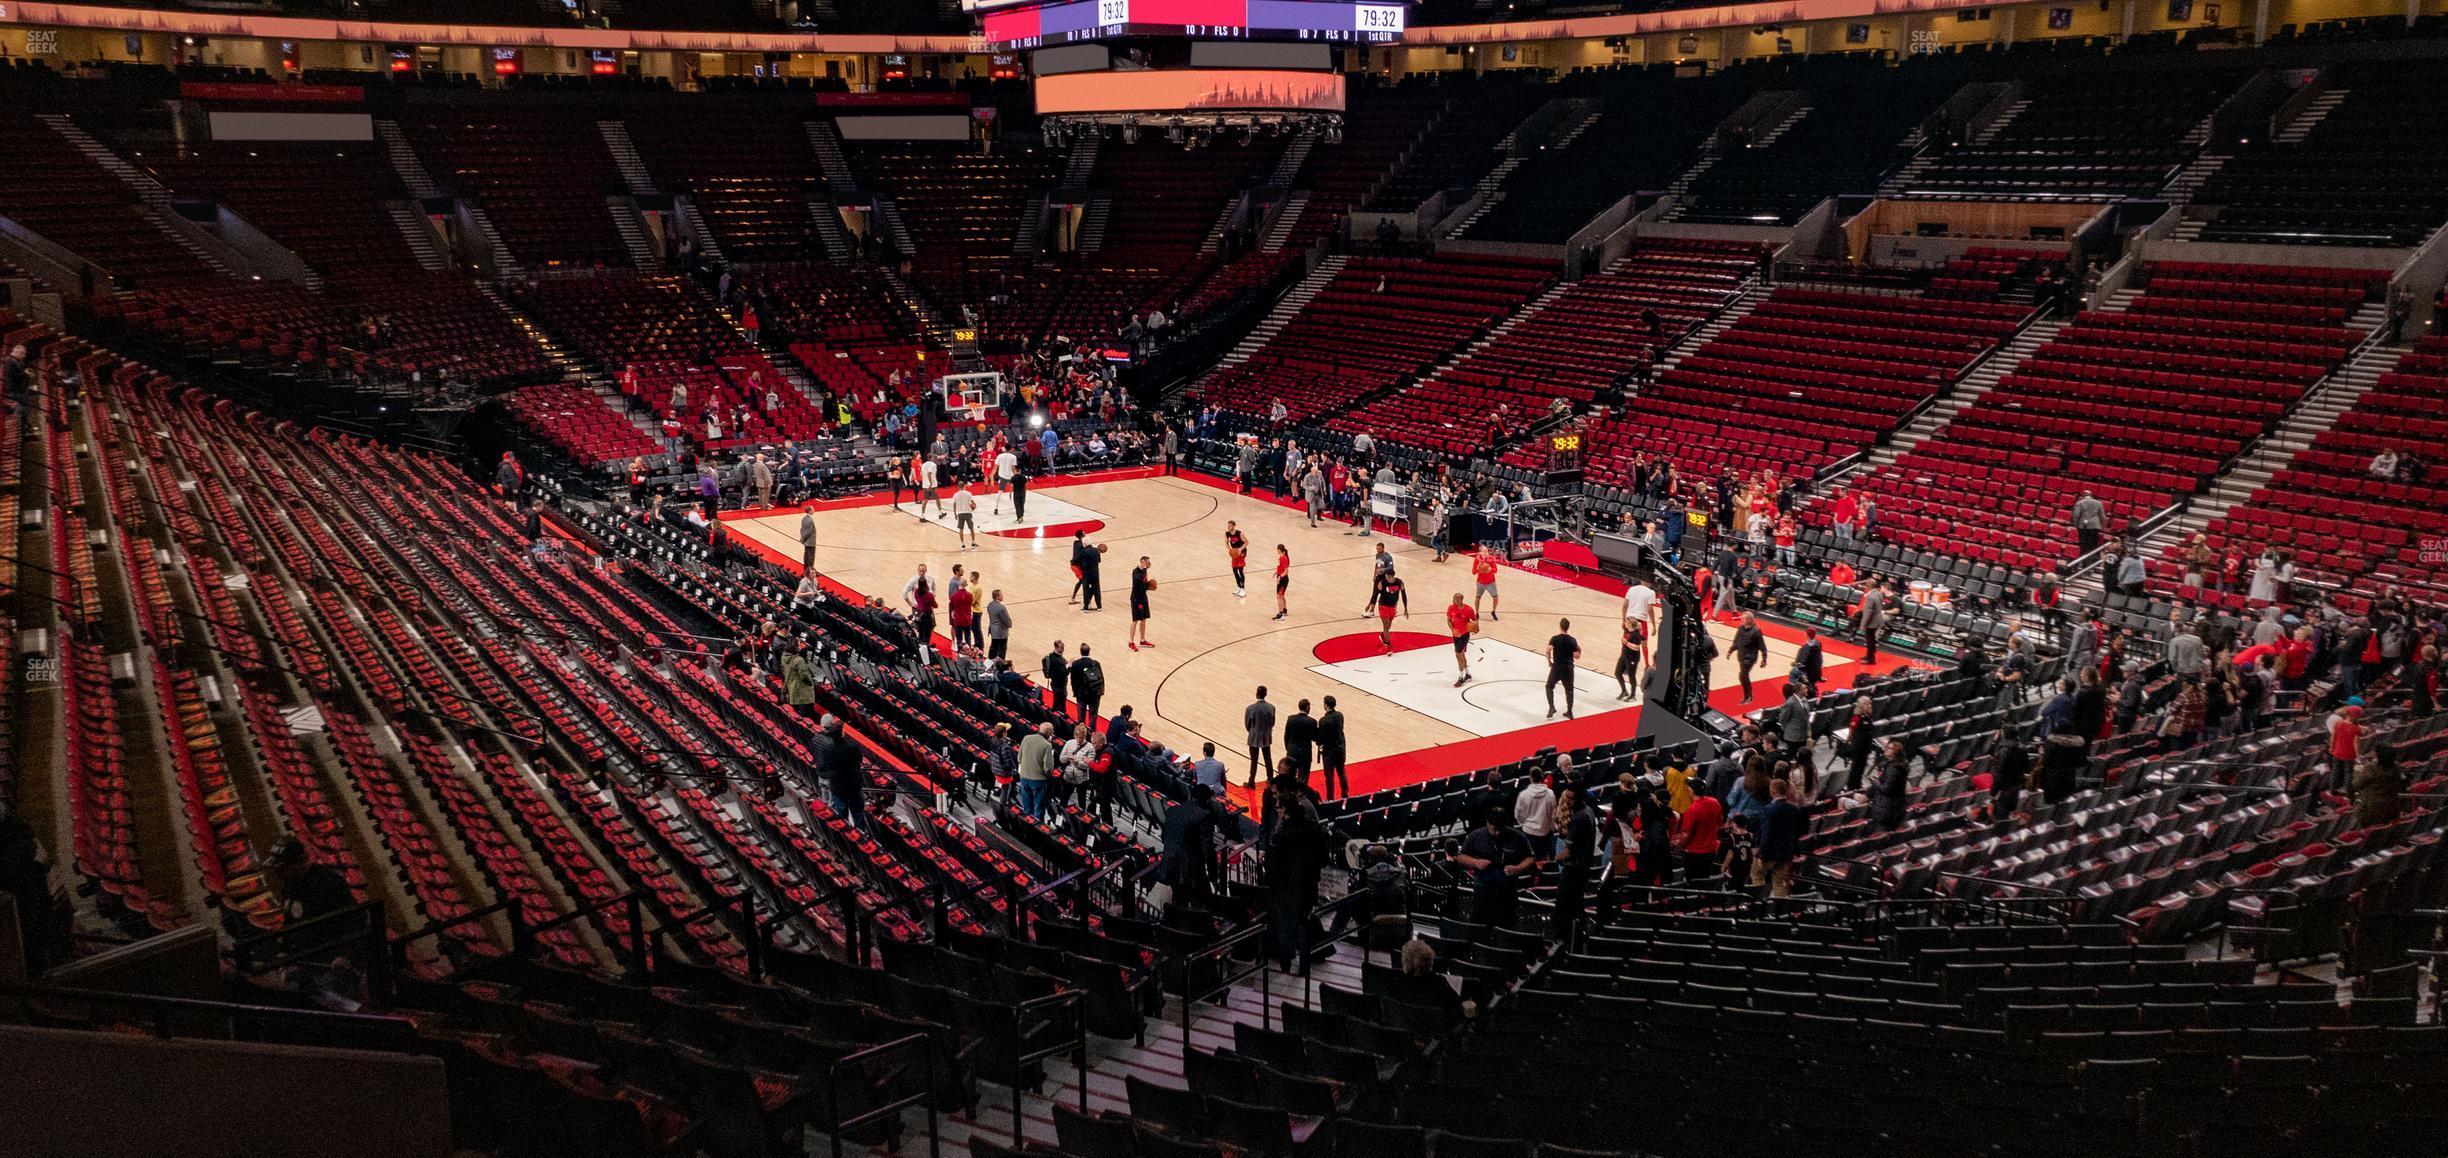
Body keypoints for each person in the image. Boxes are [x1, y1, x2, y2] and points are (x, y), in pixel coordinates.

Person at [1451, 808, 1536, 938]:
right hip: (1483, 893)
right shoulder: (1476, 836)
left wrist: (1518, 868)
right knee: (1479, 931)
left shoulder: (1517, 837)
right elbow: (1461, 857)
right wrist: (1476, 862)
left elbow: (1530, 857)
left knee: (1505, 932)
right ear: (1487, 823)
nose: (1496, 833)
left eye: (1500, 830)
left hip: (1507, 894)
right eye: (1493, 829)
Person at [1161, 784, 1221, 905]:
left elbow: (1164, 837)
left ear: (1190, 795)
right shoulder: (1203, 815)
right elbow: (1208, 849)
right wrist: (1214, 877)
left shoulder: (1172, 810)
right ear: (1208, 800)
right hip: (1191, 870)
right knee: (1201, 906)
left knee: (1178, 905)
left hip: (1169, 865)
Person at [1550, 786, 1596, 941]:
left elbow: (1568, 852)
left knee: (1564, 907)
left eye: (1571, 798)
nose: (1567, 801)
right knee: (1576, 905)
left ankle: (1561, 941)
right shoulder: (1588, 811)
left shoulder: (1578, 818)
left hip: (1574, 870)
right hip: (1583, 867)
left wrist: (1554, 859)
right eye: (1566, 797)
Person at [1753, 779, 1804, 898]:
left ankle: (1761, 901)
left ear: (1773, 791)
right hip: (1786, 852)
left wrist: (1761, 854)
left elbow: (1767, 834)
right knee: (1779, 882)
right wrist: (1796, 850)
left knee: (1756, 873)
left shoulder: (1769, 810)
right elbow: (1796, 832)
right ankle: (1779, 910)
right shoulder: (1795, 809)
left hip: (1769, 852)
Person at [819, 714, 868, 831]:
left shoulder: (827, 749)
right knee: (857, 813)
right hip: (853, 784)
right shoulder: (852, 747)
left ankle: (846, 835)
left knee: (841, 814)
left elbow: (826, 765)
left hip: (837, 785)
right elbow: (859, 761)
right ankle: (861, 834)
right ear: (842, 734)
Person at [1675, 787, 1723, 881]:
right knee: (1704, 879)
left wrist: (1679, 845)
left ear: (1691, 791)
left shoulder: (1692, 809)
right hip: (1710, 849)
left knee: (1692, 880)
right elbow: (1719, 822)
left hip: (1693, 852)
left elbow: (1685, 835)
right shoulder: (1714, 802)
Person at [1513, 771, 1558, 856]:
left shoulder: (1523, 795)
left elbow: (1518, 815)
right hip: (1546, 831)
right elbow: (1553, 812)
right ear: (1542, 777)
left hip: (1529, 832)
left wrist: (1524, 823)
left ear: (1530, 778)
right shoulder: (1550, 793)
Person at [1243, 686, 1278, 788]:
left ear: (1256, 693)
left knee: (1254, 760)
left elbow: (1247, 724)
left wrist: (1253, 731)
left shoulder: (1250, 708)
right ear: (1265, 694)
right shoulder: (1271, 707)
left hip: (1254, 736)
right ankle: (1271, 780)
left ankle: (1251, 782)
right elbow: (1272, 722)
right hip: (1266, 735)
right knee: (1268, 759)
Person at [1545, 617, 1581, 720]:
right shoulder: (1572, 640)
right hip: (1569, 668)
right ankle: (1569, 711)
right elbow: (1576, 656)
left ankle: (1551, 707)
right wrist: (1579, 651)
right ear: (1568, 627)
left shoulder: (1554, 639)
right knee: (1569, 690)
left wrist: (1549, 662)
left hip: (1557, 667)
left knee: (1549, 686)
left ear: (1560, 626)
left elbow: (1547, 651)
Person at [1730, 612, 1767, 703]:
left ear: (1750, 620)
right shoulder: (1741, 628)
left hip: (1750, 658)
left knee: (1743, 675)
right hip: (1741, 656)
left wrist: (1764, 659)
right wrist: (1731, 650)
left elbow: (1762, 646)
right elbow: (1736, 641)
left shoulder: (1756, 631)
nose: (1742, 620)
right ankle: (1749, 694)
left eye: (1744, 619)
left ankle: (1748, 696)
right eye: (1742, 618)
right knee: (1743, 676)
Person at [1316, 695, 1348, 799]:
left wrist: (1317, 741)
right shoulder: (1340, 715)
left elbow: (1320, 739)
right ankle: (1345, 794)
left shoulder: (1323, 721)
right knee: (1342, 773)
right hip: (1340, 748)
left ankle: (1330, 798)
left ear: (1326, 705)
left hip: (1329, 752)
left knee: (1329, 777)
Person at [1447, 592, 1480, 689]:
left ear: (1461, 599)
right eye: (1453, 599)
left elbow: (1474, 620)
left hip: (1464, 635)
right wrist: (1452, 630)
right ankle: (1468, 674)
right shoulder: (1451, 608)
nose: (1453, 601)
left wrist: (1476, 628)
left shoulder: (1468, 610)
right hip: (1455, 635)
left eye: (1455, 599)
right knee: (1461, 654)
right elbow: (1449, 620)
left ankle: (1461, 677)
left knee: (1458, 653)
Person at [1371, 571, 1409, 653]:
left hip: (1393, 606)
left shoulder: (1399, 582)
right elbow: (1375, 594)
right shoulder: (1382, 583)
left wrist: (1405, 608)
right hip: (1383, 606)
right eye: (1386, 577)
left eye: (1388, 577)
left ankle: (1383, 636)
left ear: (1392, 576)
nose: (1387, 578)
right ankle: (1388, 645)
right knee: (1386, 624)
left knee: (1388, 626)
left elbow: (1404, 595)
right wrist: (1370, 605)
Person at [1854, 577, 1888, 664]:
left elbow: (1868, 612)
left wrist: (1863, 624)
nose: (1865, 587)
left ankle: (1871, 659)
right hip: (1877, 619)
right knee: (1872, 639)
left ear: (1868, 587)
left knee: (1869, 640)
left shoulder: (1871, 597)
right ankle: (1869, 655)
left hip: (1871, 621)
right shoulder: (1878, 593)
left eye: (1866, 585)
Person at [1070, 644, 1106, 726]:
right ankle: (1091, 734)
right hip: (1094, 694)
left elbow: (1073, 680)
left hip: (1081, 694)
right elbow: (1101, 679)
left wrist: (1075, 692)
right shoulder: (1096, 663)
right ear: (1089, 651)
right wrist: (1101, 692)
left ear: (1080, 652)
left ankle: (1080, 732)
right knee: (1093, 716)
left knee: (1081, 716)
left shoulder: (1076, 664)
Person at [782, 643, 817, 720]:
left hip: (791, 688)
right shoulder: (799, 660)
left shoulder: (784, 658)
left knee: (794, 712)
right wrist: (811, 682)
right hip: (802, 691)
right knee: (804, 716)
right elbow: (804, 676)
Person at [1127, 555, 1154, 651]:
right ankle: (1131, 642)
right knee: (1135, 620)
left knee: (1143, 620)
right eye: (1147, 562)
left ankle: (1142, 640)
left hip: (1143, 598)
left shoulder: (1144, 570)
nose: (1149, 563)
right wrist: (1146, 585)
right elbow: (1139, 581)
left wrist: (1148, 586)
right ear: (1142, 561)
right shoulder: (1136, 571)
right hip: (1136, 599)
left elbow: (1144, 585)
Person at [1072, 532, 1103, 612]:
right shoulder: (1096, 551)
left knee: (1086, 590)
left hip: (1086, 573)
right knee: (1096, 590)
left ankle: (1086, 608)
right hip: (1096, 573)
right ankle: (1099, 606)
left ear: (1084, 543)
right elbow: (1099, 561)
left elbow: (1076, 560)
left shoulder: (1083, 552)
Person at [1790, 627, 1824, 697]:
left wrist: (1794, 664)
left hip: (1807, 672)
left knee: (1794, 674)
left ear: (1807, 634)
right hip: (1816, 670)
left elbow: (1801, 662)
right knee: (1812, 685)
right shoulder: (1818, 643)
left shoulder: (1806, 648)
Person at [1471, 545, 1502, 621]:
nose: (1486, 553)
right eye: (1484, 551)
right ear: (1480, 552)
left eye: (1486, 551)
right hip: (1480, 583)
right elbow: (1473, 572)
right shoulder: (1477, 560)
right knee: (1478, 598)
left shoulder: (1491, 559)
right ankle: (1477, 613)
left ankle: (1493, 611)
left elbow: (1495, 570)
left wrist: (1491, 569)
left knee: (1496, 598)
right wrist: (1478, 568)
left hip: (1491, 583)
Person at [2071, 491, 2104, 558]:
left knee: (2083, 544)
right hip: (2095, 525)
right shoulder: (2099, 503)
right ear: (2091, 495)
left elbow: (2076, 515)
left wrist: (2075, 524)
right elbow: (2102, 516)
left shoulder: (2079, 503)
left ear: (2083, 496)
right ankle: (2092, 557)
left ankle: (2083, 558)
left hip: (2083, 526)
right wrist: (2100, 525)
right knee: (2093, 543)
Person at [1041, 640, 1070, 719]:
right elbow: (1064, 673)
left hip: (1054, 682)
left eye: (1063, 647)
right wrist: (1070, 666)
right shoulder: (1060, 660)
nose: (1063, 649)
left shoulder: (1051, 655)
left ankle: (1054, 714)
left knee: (1057, 700)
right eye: (1061, 647)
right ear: (1056, 647)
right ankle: (1060, 717)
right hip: (1060, 684)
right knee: (1061, 701)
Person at [1224, 521, 1249, 599]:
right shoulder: (1227, 534)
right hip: (1234, 553)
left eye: (1230, 526)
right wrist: (1230, 550)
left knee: (1240, 570)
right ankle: (1238, 587)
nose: (1228, 527)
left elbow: (1247, 542)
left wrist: (1240, 549)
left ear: (1234, 526)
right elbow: (1226, 543)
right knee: (1234, 569)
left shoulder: (1240, 534)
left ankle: (1243, 589)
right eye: (1228, 526)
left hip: (1242, 552)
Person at [985, 590, 1012, 660]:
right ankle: (1000, 667)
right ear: (997, 596)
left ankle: (989, 664)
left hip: (993, 630)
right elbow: (1007, 620)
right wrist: (1010, 625)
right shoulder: (1001, 608)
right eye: (1001, 595)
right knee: (1001, 652)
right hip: (1001, 632)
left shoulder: (989, 605)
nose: (1003, 596)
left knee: (993, 649)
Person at [951, 483, 979, 550]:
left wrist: (955, 514)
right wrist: (973, 508)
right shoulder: (968, 494)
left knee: (961, 529)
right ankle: (973, 543)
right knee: (971, 528)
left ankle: (962, 544)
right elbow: (974, 504)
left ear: (958, 487)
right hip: (968, 513)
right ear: (964, 486)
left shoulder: (955, 495)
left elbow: (954, 505)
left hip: (960, 513)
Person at [1271, 544, 1291, 621]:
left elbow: (1286, 571)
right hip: (1281, 578)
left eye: (1277, 549)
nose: (1276, 551)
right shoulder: (1281, 557)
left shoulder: (1283, 558)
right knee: (1281, 596)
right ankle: (1284, 610)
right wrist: (1276, 572)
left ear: (1279, 550)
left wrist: (1280, 576)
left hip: (1283, 579)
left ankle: (1281, 614)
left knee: (1279, 596)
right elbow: (1281, 567)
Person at [798, 504, 819, 574]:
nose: (814, 511)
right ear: (809, 511)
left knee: (806, 556)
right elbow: (808, 531)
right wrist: (803, 538)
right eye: (813, 510)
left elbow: (802, 529)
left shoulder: (804, 518)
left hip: (806, 542)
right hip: (810, 542)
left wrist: (802, 538)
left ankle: (806, 570)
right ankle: (811, 572)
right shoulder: (810, 520)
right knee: (811, 558)